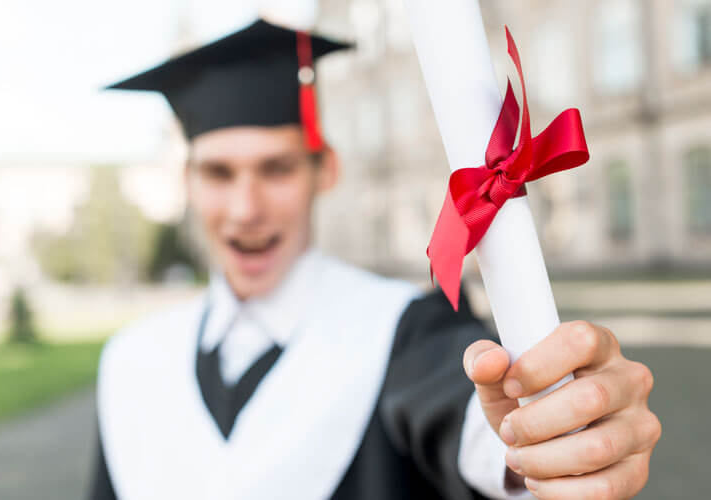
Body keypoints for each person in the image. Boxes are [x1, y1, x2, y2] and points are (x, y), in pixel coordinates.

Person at [90, 19, 660, 500]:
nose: (246, 208)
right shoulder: (134, 361)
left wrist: (544, 440)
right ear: (186, 181)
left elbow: (472, 417)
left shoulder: (403, 328)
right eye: (218, 172)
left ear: (325, 170)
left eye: (277, 168)